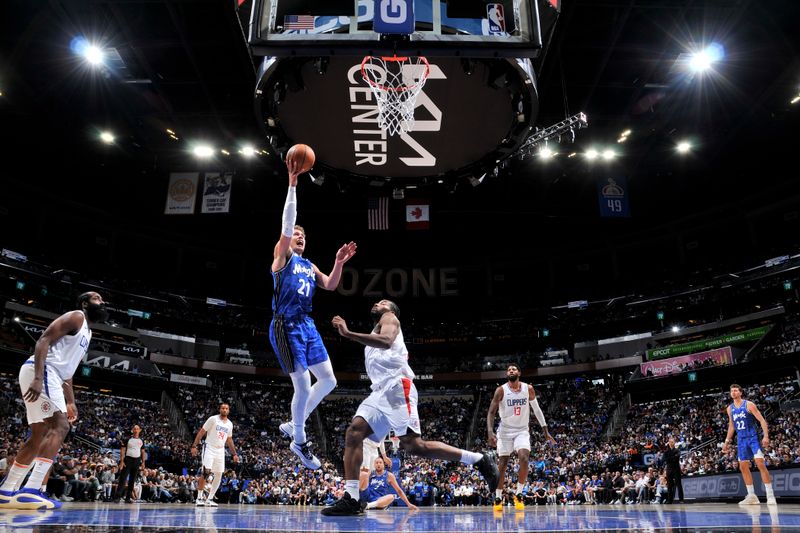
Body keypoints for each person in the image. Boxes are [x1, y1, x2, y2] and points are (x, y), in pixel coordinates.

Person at [323, 299, 499, 515]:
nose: (378, 303)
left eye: (383, 302)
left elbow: (387, 341)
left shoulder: (389, 318)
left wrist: (349, 334)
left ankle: (479, 459)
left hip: (397, 387)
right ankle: (352, 498)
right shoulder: (375, 328)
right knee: (354, 432)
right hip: (379, 391)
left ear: (391, 310)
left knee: (414, 445)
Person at [271, 159, 357, 469]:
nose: (299, 236)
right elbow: (286, 223)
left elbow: (331, 286)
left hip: (307, 325)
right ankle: (299, 440)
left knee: (329, 380)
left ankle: (293, 423)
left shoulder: (309, 266)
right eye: (295, 233)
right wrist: (293, 185)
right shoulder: (283, 259)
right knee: (303, 385)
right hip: (285, 324)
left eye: (302, 234)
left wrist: (338, 262)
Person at [0, 292, 106, 510]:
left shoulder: (89, 331)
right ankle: (31, 489)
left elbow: (68, 371)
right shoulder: (77, 316)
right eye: (97, 298)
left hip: (54, 375)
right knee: (60, 425)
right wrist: (39, 377)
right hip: (44, 371)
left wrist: (71, 401)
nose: (102, 301)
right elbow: (44, 340)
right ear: (84, 303)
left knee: (39, 435)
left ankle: (6, 491)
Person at [486, 364, 555, 511]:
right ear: (507, 374)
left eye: (514, 369)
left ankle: (519, 494)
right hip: (504, 431)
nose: (511, 370)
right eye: (509, 369)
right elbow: (491, 412)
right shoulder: (501, 390)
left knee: (524, 457)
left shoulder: (528, 389)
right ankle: (498, 497)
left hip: (522, 430)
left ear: (519, 373)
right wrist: (490, 432)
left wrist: (545, 430)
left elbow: (536, 409)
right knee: (502, 465)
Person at [722, 384, 777, 506]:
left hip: (753, 438)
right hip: (741, 440)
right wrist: (726, 442)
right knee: (743, 466)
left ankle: (770, 495)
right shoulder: (729, 409)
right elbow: (731, 426)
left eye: (736, 390)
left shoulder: (749, 404)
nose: (733, 393)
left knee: (760, 464)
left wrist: (766, 436)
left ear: (741, 392)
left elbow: (762, 420)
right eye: (732, 391)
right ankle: (752, 496)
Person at [192, 403, 239, 506]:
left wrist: (234, 454)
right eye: (223, 408)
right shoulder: (213, 419)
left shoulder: (230, 424)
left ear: (229, 411)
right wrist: (194, 446)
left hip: (220, 450)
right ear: (220, 409)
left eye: (226, 408)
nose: (225, 410)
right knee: (206, 472)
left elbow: (229, 440)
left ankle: (210, 498)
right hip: (209, 447)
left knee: (218, 474)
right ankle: (199, 497)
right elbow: (201, 432)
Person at [116, 425, 147, 503]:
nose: (136, 430)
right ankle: (117, 497)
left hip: (137, 461)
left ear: (140, 430)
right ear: (132, 430)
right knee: (123, 479)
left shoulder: (141, 440)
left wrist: (143, 462)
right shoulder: (128, 439)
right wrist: (122, 461)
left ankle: (128, 498)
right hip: (128, 460)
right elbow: (122, 450)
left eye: (137, 429)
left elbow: (143, 452)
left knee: (132, 480)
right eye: (134, 429)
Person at [662, 436, 684, 504]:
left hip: (676, 469)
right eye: (670, 442)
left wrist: (670, 458)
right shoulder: (666, 451)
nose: (671, 443)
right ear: (668, 443)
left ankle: (681, 499)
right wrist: (672, 458)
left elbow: (676, 458)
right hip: (669, 470)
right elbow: (664, 459)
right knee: (669, 485)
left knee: (679, 484)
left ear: (674, 443)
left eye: (672, 442)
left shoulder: (677, 450)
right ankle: (670, 500)